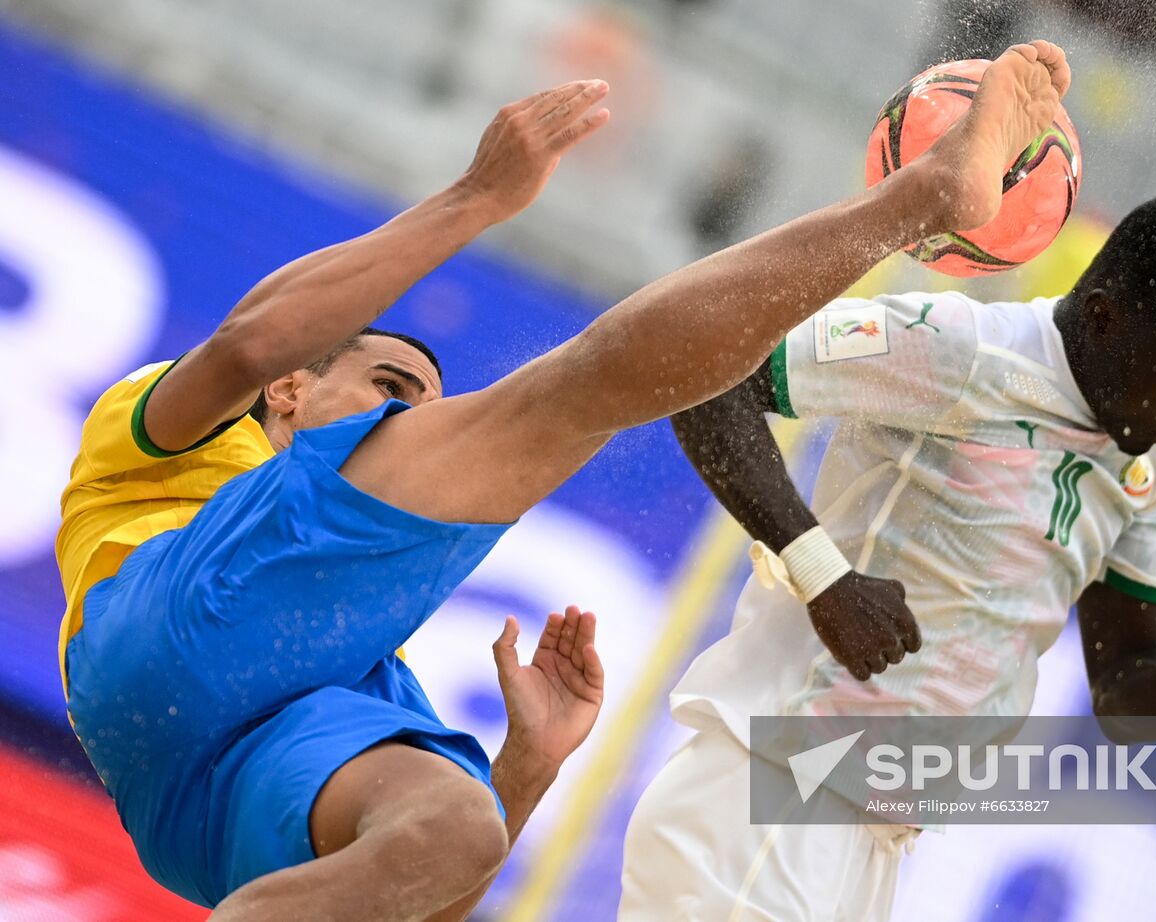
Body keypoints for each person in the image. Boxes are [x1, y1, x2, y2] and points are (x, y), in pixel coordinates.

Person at [56, 42, 1073, 922]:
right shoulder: (173, 440)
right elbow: (251, 338)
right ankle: (917, 200)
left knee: (460, 833)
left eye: (417, 400)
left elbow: (431, 903)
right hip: (155, 655)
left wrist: (529, 765)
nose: (406, 416)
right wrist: (476, 199)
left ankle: (924, 198)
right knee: (575, 394)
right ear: (291, 390)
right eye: (387, 384)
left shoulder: (356, 623)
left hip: (211, 802)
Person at [619, 194, 1156, 920]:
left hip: (875, 840)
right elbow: (709, 373)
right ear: (1106, 317)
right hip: (774, 794)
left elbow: (1129, 697)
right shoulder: (961, 349)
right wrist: (823, 575)